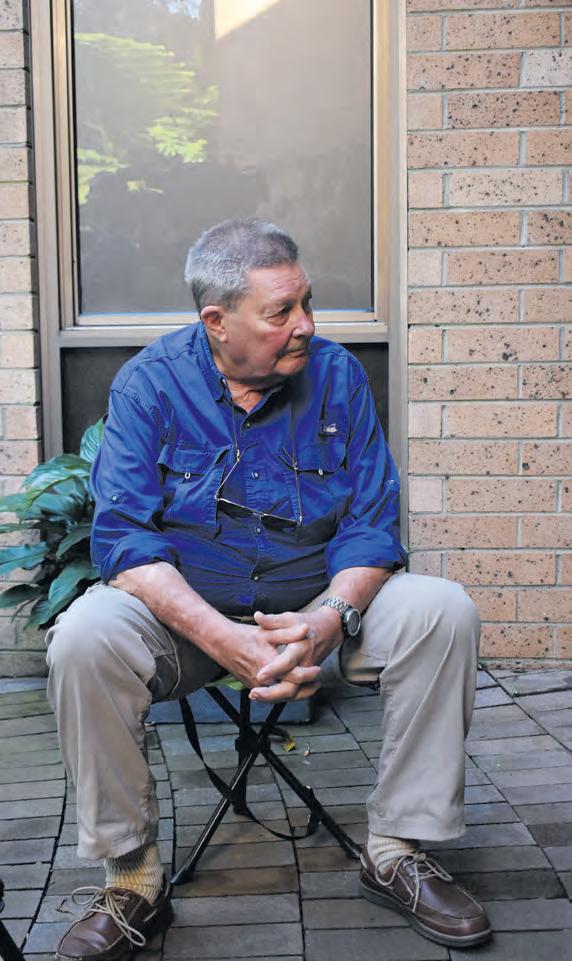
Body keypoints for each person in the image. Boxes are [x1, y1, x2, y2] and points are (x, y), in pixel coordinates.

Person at [47, 218, 491, 960]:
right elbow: (124, 540)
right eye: (282, 311)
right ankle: (132, 881)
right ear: (216, 322)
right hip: (190, 627)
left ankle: (397, 850)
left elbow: (372, 525)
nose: (306, 325)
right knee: (84, 637)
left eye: (306, 302)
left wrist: (328, 619)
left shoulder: (338, 377)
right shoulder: (149, 385)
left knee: (442, 610)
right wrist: (226, 640)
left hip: (321, 611)